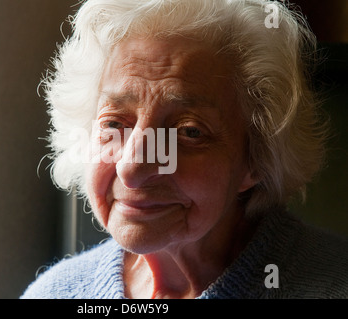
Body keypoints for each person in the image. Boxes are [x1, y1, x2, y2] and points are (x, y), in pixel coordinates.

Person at [21, 0, 348, 299]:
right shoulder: (56, 293)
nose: (132, 169)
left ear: (257, 156)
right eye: (114, 124)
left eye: (189, 132)